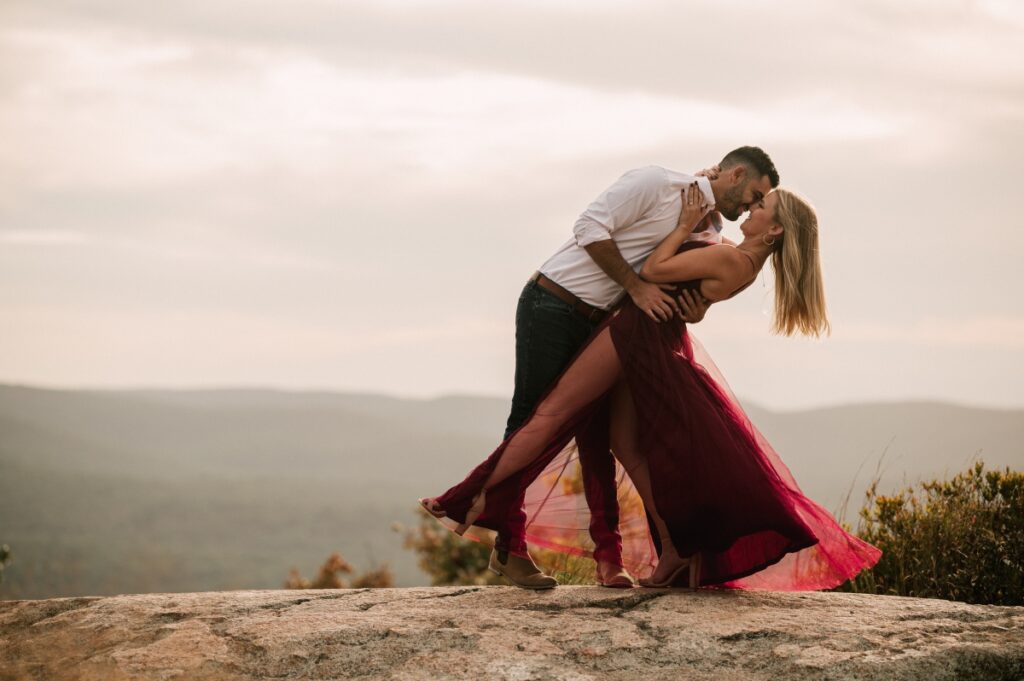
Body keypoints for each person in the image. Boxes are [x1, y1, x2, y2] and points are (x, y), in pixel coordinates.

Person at [420, 183, 882, 591]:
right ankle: (677, 548)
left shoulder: (731, 257)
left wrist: (682, 224)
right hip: (652, 334)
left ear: (775, 230)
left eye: (764, 205)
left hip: (634, 330)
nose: (754, 209)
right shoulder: (744, 263)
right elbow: (693, 290)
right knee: (626, 444)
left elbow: (657, 270)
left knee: (553, 413)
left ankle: (470, 498)